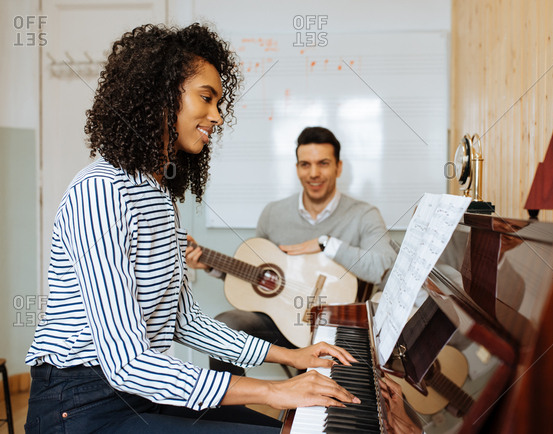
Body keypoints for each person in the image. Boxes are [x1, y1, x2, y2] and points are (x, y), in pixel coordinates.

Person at [24, 24, 360, 434]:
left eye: (219, 102)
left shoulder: (159, 194)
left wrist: (292, 357)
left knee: (280, 429)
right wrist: (273, 392)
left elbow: (184, 320)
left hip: (136, 391)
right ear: (159, 96)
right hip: (77, 406)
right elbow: (128, 363)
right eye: (206, 98)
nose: (217, 116)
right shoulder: (100, 193)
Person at [186, 126, 398, 373]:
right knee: (225, 326)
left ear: (339, 167)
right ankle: (231, 404)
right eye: (305, 164)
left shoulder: (364, 215)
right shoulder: (273, 214)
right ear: (297, 168)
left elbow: (385, 266)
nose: (314, 173)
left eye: (323, 163)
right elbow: (261, 279)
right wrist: (211, 266)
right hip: (285, 323)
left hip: (342, 325)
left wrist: (325, 244)